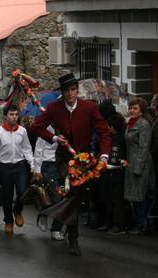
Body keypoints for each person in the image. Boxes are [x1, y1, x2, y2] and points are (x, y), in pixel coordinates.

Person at [32, 73, 111, 255]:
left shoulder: (89, 108)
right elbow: (36, 127)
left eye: (73, 89)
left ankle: (49, 213)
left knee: (78, 197)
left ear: (77, 90)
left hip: (84, 157)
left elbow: (104, 132)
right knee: (71, 193)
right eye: (67, 90)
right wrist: (54, 138)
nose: (70, 94)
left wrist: (105, 155)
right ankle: (74, 239)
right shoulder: (54, 108)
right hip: (64, 157)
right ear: (63, 92)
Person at [0, 104, 35, 234]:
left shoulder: (22, 131)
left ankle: (17, 210)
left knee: (23, 192)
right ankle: (8, 220)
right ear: (6, 116)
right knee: (6, 197)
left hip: (20, 166)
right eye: (11, 115)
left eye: (16, 114)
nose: (14, 117)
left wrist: (32, 164)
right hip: (5, 167)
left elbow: (27, 149)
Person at [124, 97, 155, 235]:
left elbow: (144, 147)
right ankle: (139, 223)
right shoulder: (131, 123)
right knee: (134, 197)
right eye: (130, 108)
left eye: (135, 108)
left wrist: (138, 168)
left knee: (140, 196)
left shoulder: (143, 124)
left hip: (140, 164)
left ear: (141, 110)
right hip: (131, 162)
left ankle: (142, 225)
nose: (131, 110)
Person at [33, 125, 64, 240]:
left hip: (64, 164)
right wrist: (37, 169)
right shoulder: (46, 129)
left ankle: (47, 216)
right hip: (48, 165)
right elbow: (38, 149)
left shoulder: (66, 126)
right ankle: (54, 227)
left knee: (65, 198)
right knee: (57, 198)